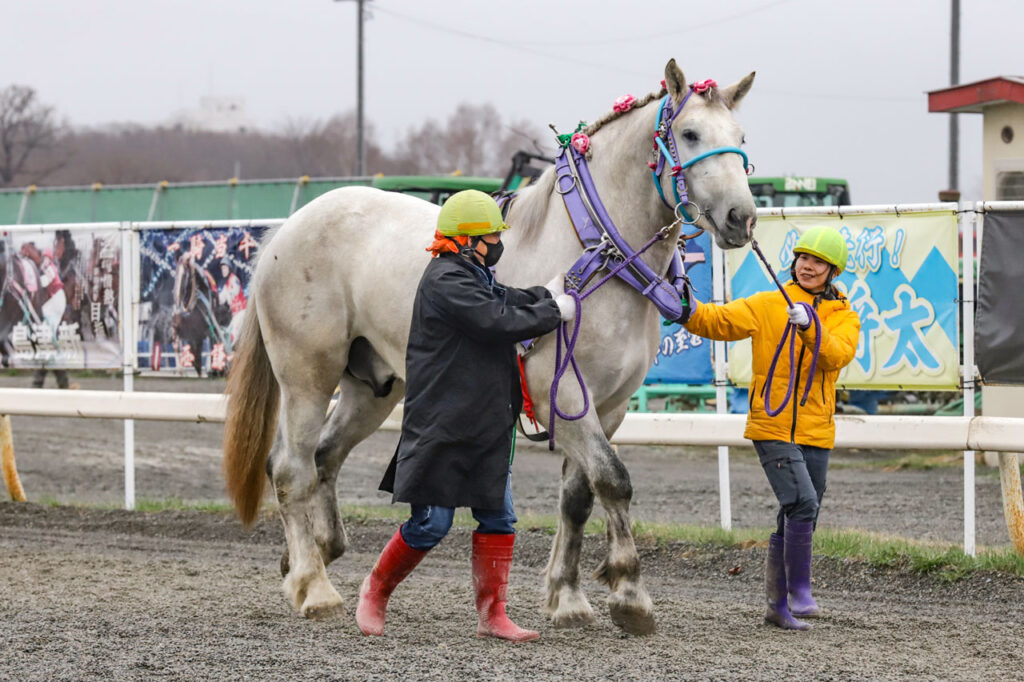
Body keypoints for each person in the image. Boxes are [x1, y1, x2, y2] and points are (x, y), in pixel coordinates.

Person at [355, 189, 575, 642]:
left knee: (498, 518)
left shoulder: (473, 273)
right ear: (468, 241)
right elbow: (497, 321)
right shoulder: (445, 281)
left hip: (487, 422)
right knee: (431, 524)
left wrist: (544, 294)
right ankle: (375, 590)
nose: (498, 242)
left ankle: (493, 616)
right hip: (442, 424)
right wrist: (554, 312)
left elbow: (506, 297)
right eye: (493, 235)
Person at [684, 226, 860, 630]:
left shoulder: (845, 317)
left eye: (818, 262)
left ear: (833, 271)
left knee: (798, 513)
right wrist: (682, 304)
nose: (807, 266)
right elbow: (715, 321)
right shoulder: (767, 304)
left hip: (817, 430)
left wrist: (810, 325)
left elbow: (835, 356)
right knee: (803, 503)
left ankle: (778, 608)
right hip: (771, 424)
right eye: (803, 258)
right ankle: (799, 591)